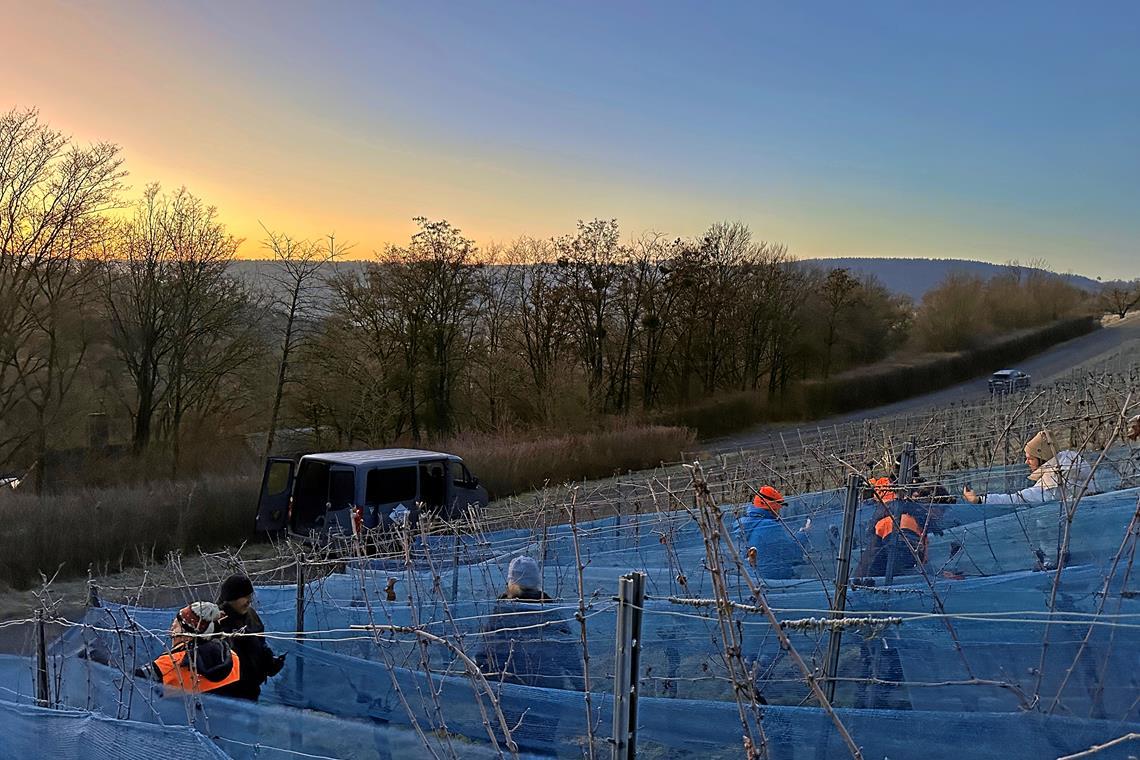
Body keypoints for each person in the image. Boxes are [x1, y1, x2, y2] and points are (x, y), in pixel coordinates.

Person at [963, 430, 1100, 506]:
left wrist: (980, 500)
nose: (1027, 462)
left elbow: (1018, 499)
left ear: (1043, 457)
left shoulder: (1053, 482)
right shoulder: (1074, 463)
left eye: (1030, 458)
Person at [134, 601, 243, 697]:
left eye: (175, 626)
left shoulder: (167, 666)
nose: (170, 630)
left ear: (187, 635)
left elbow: (129, 686)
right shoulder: (232, 657)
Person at [216, 574, 285, 701]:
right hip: (227, 693)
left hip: (252, 688)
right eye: (245, 597)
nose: (249, 601)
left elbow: (260, 643)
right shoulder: (218, 621)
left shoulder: (251, 615)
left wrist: (269, 663)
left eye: (250, 596)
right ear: (231, 598)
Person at [737, 485, 812, 580]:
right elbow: (792, 553)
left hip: (754, 579)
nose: (779, 512)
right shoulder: (769, 526)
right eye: (778, 508)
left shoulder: (746, 524)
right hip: (775, 581)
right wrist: (804, 533)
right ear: (772, 507)